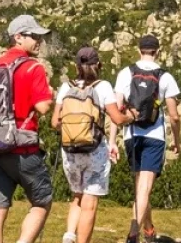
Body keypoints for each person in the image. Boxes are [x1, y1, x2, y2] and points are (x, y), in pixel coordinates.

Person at [0, 15, 56, 243]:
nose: (38, 41)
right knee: (42, 201)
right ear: (18, 37)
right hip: (23, 149)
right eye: (33, 36)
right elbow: (42, 107)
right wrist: (50, 95)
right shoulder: (33, 67)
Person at [54, 47, 130, 243]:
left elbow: (55, 122)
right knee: (90, 202)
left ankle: (69, 237)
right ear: (99, 65)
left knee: (77, 196)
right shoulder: (103, 86)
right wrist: (132, 115)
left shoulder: (66, 87)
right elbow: (117, 119)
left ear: (76, 66)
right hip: (94, 150)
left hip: (70, 151)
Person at [115, 35, 181, 243]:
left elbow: (118, 107)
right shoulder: (165, 76)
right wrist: (177, 141)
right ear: (158, 51)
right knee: (144, 188)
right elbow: (174, 116)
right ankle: (133, 234)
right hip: (154, 136)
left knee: (140, 188)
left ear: (139, 50)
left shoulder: (126, 73)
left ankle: (149, 230)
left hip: (131, 134)